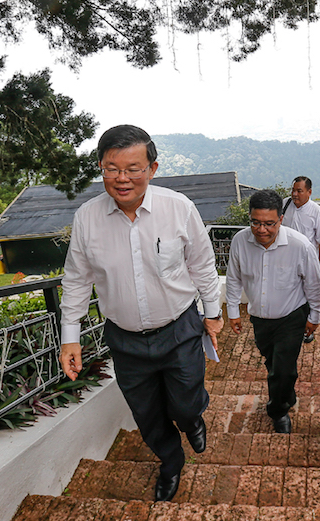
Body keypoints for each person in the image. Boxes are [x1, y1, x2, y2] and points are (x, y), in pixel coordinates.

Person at [58, 124, 224, 504]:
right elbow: (77, 279)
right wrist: (70, 336)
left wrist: (212, 313)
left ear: (152, 168)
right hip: (125, 336)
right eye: (112, 168)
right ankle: (170, 461)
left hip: (179, 327)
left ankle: (191, 417)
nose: (122, 178)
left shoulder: (178, 208)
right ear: (100, 166)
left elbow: (201, 264)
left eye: (133, 168)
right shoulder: (87, 218)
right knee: (147, 415)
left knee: (184, 401)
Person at [225, 190, 320, 434]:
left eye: (269, 223)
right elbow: (234, 277)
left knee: (282, 368)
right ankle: (286, 394)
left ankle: (278, 409)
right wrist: (234, 311)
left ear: (281, 219)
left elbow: (313, 284)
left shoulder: (300, 246)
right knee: (273, 362)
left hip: (292, 316)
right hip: (259, 318)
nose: (261, 229)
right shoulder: (239, 241)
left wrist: (314, 316)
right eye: (255, 222)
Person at [282, 175, 320, 343]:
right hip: (285, 260)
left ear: (309, 192)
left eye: (299, 191)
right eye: (293, 190)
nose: (295, 194)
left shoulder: (317, 213)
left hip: (307, 262)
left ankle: (306, 328)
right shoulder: (285, 204)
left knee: (306, 296)